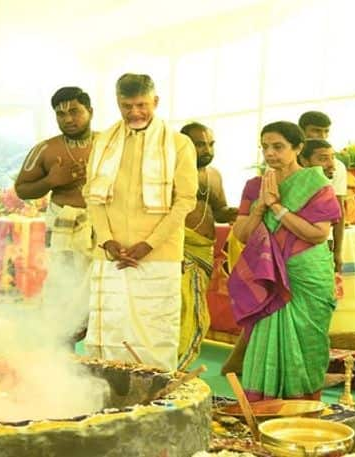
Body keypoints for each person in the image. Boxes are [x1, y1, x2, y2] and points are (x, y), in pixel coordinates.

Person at [84, 73, 197, 371]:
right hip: (111, 254)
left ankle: (154, 401)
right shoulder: (103, 142)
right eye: (126, 106)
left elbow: (185, 200)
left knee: (154, 333)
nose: (135, 112)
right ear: (117, 104)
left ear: (155, 102)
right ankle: (105, 397)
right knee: (110, 328)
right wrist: (106, 240)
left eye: (141, 105)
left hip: (158, 255)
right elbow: (93, 197)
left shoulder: (179, 144)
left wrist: (149, 244)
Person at [227, 121, 341, 399]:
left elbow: (318, 234)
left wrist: (277, 207)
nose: (270, 153)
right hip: (269, 277)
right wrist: (261, 207)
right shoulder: (255, 187)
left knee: (307, 337)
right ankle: (266, 407)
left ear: (298, 148)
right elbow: (242, 234)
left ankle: (303, 406)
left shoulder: (317, 185)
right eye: (265, 147)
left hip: (305, 274)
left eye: (278, 147)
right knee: (267, 336)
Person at [14, 86, 96, 346]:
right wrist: (50, 180)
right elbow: (22, 189)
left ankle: (104, 363)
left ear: (90, 111)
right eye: (61, 114)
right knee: (63, 293)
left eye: (74, 111)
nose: (68, 119)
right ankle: (62, 359)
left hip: (104, 231)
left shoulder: (110, 145)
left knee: (103, 295)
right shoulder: (46, 150)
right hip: (65, 236)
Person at [177, 122, 237, 369]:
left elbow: (219, 210)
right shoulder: (171, 173)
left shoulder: (214, 175)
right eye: (199, 144)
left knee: (196, 314)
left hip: (203, 249)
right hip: (179, 250)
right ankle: (171, 367)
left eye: (210, 144)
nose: (207, 149)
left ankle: (178, 365)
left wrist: (236, 212)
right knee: (181, 312)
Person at [298, 111, 346, 273]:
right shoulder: (283, 162)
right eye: (316, 130)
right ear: (302, 130)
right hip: (288, 240)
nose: (322, 135)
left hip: (324, 242)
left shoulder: (337, 166)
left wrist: (338, 251)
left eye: (326, 131)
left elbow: (339, 211)